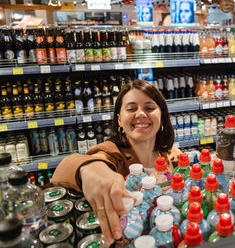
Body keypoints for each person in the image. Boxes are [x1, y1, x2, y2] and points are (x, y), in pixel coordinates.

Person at [53, 79, 181, 245]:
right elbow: (64, 169)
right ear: (120, 120)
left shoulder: (174, 156)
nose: (141, 114)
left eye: (149, 108)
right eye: (131, 108)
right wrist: (90, 169)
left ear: (161, 116)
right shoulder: (111, 154)